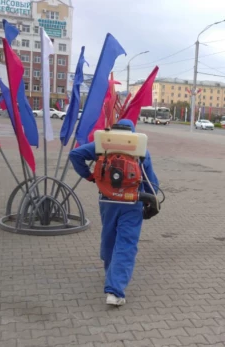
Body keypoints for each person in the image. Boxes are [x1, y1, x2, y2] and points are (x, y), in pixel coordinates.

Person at [69, 119, 159, 306]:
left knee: (109, 237)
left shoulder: (102, 144)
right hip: (131, 201)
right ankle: (115, 290)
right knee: (126, 243)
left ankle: (111, 274)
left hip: (107, 200)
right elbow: (152, 183)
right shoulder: (140, 148)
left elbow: (75, 154)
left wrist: (90, 176)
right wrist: (151, 200)